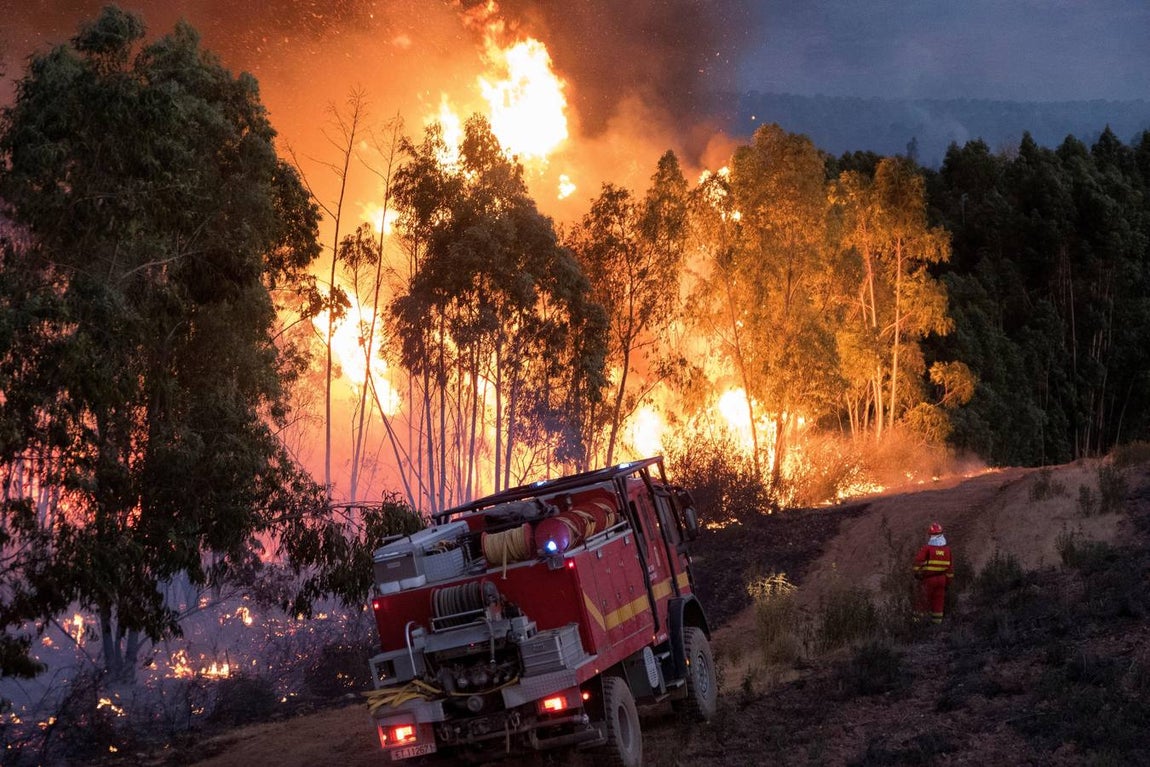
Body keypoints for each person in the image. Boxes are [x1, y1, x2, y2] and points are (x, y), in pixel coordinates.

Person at [913, 522, 954, 624]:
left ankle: (916, 624)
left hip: (929, 579)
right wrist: (947, 582)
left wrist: (917, 573)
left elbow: (918, 561)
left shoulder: (927, 549)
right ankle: (937, 625)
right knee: (938, 603)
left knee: (922, 601)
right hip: (942, 580)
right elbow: (950, 569)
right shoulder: (947, 550)